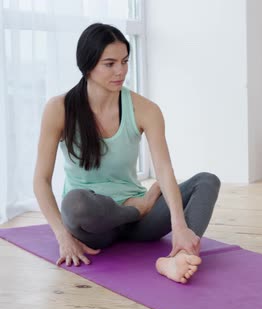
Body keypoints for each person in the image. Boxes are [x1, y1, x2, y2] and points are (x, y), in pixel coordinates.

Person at [33, 23, 220, 284]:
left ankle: (178, 257)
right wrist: (63, 237)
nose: (120, 71)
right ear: (88, 65)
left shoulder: (145, 109)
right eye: (109, 63)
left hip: (139, 223)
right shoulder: (59, 109)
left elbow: (164, 169)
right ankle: (138, 208)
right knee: (75, 204)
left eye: (124, 61)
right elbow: (41, 181)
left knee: (207, 181)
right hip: (94, 224)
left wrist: (179, 226)